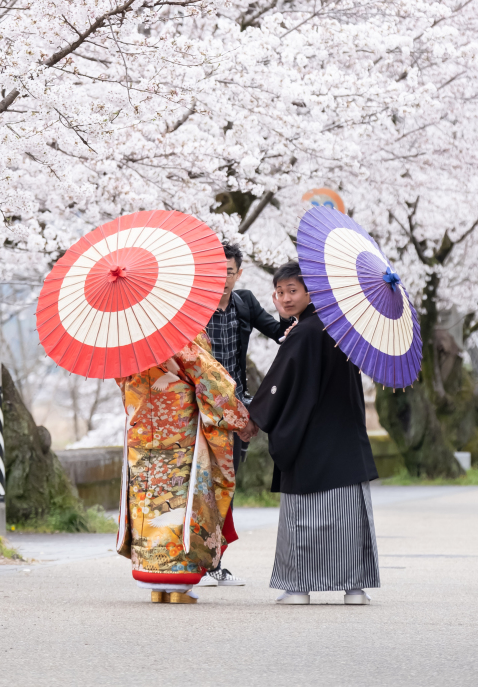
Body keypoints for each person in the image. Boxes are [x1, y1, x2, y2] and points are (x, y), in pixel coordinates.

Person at [247, 261, 380, 605]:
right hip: (345, 437)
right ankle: (355, 588)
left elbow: (280, 383)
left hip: (310, 439)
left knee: (305, 517)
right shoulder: (339, 326)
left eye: (293, 291)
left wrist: (254, 417)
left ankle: (298, 587)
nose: (286, 298)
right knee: (351, 516)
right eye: (279, 292)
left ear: (310, 292)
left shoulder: (305, 333)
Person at [116, 332, 251, 604]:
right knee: (179, 501)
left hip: (141, 433)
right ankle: (179, 585)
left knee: (147, 502)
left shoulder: (125, 336)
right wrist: (240, 418)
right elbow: (211, 381)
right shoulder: (178, 333)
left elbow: (124, 385)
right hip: (179, 433)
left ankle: (154, 583)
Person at [201, 240, 292, 586]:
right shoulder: (193, 307)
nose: (222, 278)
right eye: (216, 271)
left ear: (238, 273)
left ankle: (215, 561)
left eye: (228, 271)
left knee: (226, 487)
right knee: (198, 485)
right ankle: (190, 559)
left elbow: (279, 333)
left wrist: (296, 319)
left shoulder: (245, 303)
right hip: (200, 411)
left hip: (236, 408)